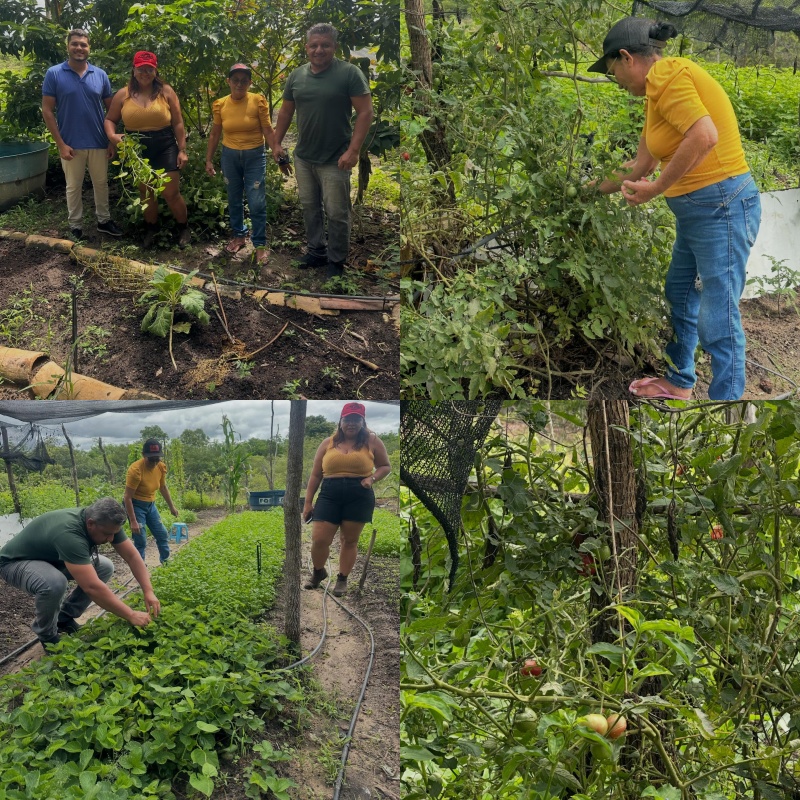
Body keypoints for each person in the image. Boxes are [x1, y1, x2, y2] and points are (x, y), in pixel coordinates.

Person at [589, 17, 761, 401]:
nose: (613, 77)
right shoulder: (654, 96)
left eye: (612, 68)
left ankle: (725, 412)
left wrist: (655, 190)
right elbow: (640, 167)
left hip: (723, 207)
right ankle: (680, 382)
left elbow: (705, 135)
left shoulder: (667, 75)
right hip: (698, 212)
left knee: (719, 316)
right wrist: (583, 192)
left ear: (627, 57)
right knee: (680, 292)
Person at [272, 23, 374, 280]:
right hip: (304, 156)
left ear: (334, 47)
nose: (319, 50)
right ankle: (316, 251)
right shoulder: (297, 76)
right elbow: (285, 112)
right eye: (314, 45)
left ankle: (337, 262)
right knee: (309, 207)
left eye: (325, 45)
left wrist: (353, 151)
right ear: (307, 48)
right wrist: (276, 142)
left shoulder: (349, 74)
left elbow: (365, 112)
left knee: (337, 212)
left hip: (336, 158)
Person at [0, 497, 159, 652]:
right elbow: (92, 587)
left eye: (114, 534)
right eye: (107, 534)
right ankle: (47, 634)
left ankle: (64, 617)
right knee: (55, 583)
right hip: (15, 562)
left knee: (104, 566)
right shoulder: (70, 534)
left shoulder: (107, 523)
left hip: (50, 559)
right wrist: (130, 614)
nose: (111, 538)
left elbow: (132, 556)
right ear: (90, 524)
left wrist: (148, 591)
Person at [42, 29, 124, 241]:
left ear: (89, 48)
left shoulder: (100, 75)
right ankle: (76, 226)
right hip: (70, 143)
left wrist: (111, 139)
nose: (79, 48)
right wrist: (60, 143)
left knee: (101, 183)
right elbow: (48, 111)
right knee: (73, 186)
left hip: (98, 141)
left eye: (83, 44)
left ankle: (104, 221)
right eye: (75, 44)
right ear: (68, 46)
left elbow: (112, 111)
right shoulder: (54, 74)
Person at [302, 402, 391, 596]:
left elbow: (385, 466)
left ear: (362, 421)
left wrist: (372, 478)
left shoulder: (372, 440)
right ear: (341, 421)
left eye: (356, 419)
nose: (352, 423)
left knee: (349, 540)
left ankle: (342, 579)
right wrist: (308, 502)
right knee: (319, 539)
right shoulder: (328, 443)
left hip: (359, 494)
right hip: (329, 493)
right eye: (348, 419)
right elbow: (316, 475)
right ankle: (319, 572)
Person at [104, 51, 191, 248]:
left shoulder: (166, 92)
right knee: (146, 193)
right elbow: (110, 119)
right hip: (136, 147)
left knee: (171, 192)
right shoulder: (122, 94)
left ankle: (183, 228)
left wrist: (182, 149)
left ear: (155, 70)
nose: (145, 72)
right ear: (134, 70)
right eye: (141, 68)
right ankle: (151, 229)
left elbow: (178, 123)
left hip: (165, 144)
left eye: (149, 68)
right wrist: (112, 136)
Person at [205, 63, 286, 268]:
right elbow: (215, 133)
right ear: (228, 82)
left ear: (250, 82)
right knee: (234, 198)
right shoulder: (220, 104)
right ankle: (239, 236)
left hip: (254, 156)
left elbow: (267, 129)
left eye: (244, 80)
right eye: (235, 80)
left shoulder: (258, 101)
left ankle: (259, 245)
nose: (239, 84)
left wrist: (276, 148)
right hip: (229, 156)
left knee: (256, 201)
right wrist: (208, 159)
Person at [124, 438, 179, 564]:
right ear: (144, 455)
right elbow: (127, 497)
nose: (155, 462)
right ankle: (141, 569)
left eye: (157, 458)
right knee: (141, 540)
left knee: (162, 534)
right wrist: (133, 521)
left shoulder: (160, 467)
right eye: (151, 458)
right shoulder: (136, 470)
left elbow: (163, 487)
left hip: (151, 505)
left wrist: (172, 507)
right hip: (136, 505)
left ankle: (165, 562)